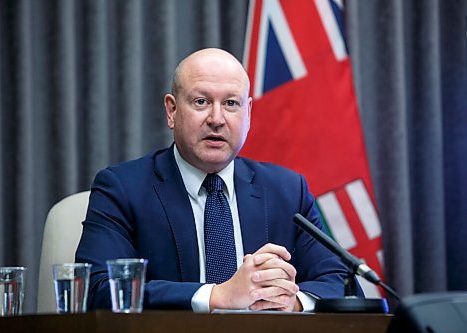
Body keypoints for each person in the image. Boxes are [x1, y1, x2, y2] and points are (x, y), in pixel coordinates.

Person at [75, 48, 354, 313]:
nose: (217, 119)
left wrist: (289, 301)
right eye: (201, 102)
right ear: (172, 111)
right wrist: (217, 296)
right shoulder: (122, 188)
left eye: (231, 103)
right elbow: (98, 289)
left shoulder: (288, 191)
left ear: (248, 114)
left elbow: (342, 283)